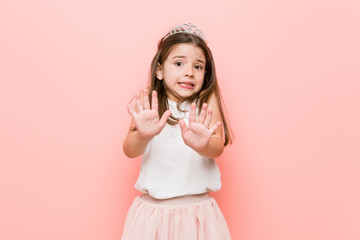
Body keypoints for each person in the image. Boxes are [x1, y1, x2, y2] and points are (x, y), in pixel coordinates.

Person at [121, 23, 232, 240]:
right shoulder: (149, 104)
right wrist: (142, 135)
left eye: (198, 67)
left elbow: (217, 147)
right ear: (160, 70)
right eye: (179, 63)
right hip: (152, 216)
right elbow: (129, 150)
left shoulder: (206, 103)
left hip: (197, 214)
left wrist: (204, 145)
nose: (189, 72)